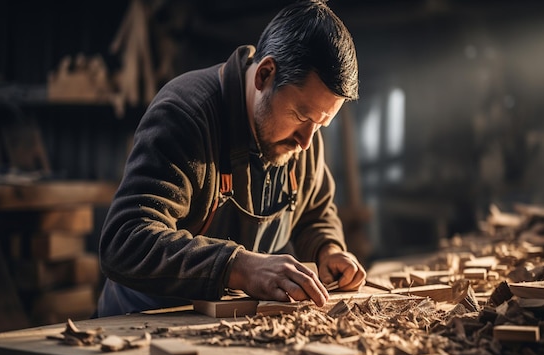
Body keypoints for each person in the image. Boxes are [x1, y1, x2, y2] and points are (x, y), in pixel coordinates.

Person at [96, 0, 366, 317]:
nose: (307, 142)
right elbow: (125, 240)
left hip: (227, 327)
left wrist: (328, 248)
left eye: (321, 125)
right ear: (265, 75)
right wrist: (236, 266)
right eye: (301, 116)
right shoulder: (186, 114)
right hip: (143, 326)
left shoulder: (302, 137)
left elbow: (315, 213)